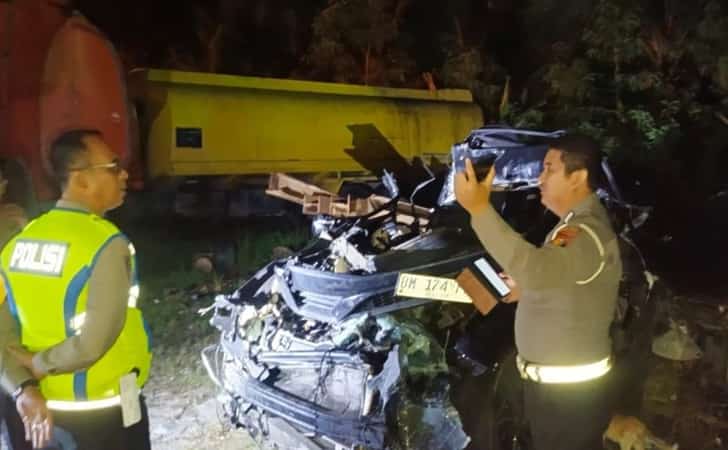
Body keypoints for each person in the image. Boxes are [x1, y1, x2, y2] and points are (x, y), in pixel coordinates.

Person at [455, 134, 622, 450]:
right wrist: (527, 287)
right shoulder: (571, 226)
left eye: (549, 169)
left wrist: (479, 209)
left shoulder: (584, 232)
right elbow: (552, 272)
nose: (539, 178)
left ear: (578, 177)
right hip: (557, 393)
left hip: (569, 400)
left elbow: (537, 268)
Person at [0, 129, 153, 450]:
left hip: (40, 407)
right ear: (80, 179)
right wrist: (39, 363)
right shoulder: (105, 244)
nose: (123, 173)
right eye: (113, 166)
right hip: (102, 412)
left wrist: (23, 385)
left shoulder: (20, 241)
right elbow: (94, 341)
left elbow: (4, 330)